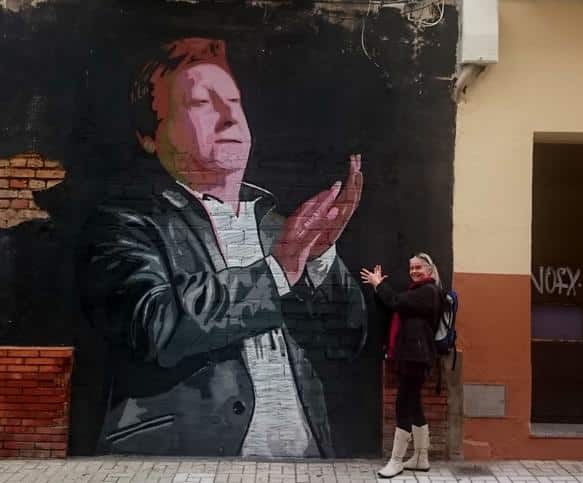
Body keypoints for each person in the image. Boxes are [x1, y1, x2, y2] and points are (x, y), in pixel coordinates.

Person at [78, 37, 367, 457]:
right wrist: (278, 271)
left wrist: (320, 258)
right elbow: (154, 326)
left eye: (233, 100)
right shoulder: (123, 224)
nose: (230, 117)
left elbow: (345, 341)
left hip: (304, 461)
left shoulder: (277, 227)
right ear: (148, 136)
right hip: (179, 462)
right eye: (201, 103)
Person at [360, 253, 441, 477]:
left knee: (403, 405)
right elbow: (393, 308)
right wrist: (379, 289)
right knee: (413, 404)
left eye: (419, 268)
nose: (414, 271)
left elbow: (396, 302)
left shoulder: (428, 292)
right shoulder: (417, 292)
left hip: (416, 356)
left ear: (429, 270)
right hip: (411, 355)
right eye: (411, 268)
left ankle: (396, 461)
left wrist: (380, 285)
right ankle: (421, 457)